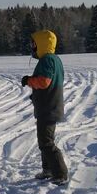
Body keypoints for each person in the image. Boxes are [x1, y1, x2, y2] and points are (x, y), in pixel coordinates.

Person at [21, 30, 68, 185]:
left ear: (41, 43)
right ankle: (48, 170)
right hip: (48, 106)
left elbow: (44, 81)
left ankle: (60, 174)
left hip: (48, 108)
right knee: (45, 140)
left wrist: (29, 81)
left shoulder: (47, 60)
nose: (32, 46)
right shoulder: (53, 59)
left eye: (34, 43)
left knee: (46, 143)